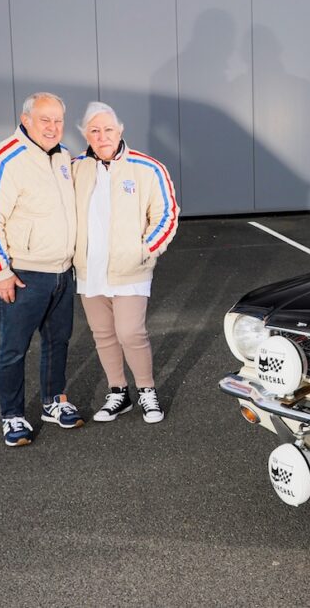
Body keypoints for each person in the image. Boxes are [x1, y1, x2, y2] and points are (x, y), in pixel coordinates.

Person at [0, 92, 84, 447]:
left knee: (58, 342)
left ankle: (53, 401)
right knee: (13, 348)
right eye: (44, 120)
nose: (52, 128)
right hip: (23, 274)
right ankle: (13, 416)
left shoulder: (64, 157)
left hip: (62, 273)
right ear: (25, 120)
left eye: (58, 121)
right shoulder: (3, 159)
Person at [71, 102, 179, 424]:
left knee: (130, 332)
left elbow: (167, 215)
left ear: (120, 130)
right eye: (94, 130)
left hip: (130, 268)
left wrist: (145, 250)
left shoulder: (148, 168)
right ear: (85, 135)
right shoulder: (76, 168)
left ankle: (146, 390)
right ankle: (118, 392)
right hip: (90, 270)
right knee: (103, 333)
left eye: (107, 129)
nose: (101, 136)